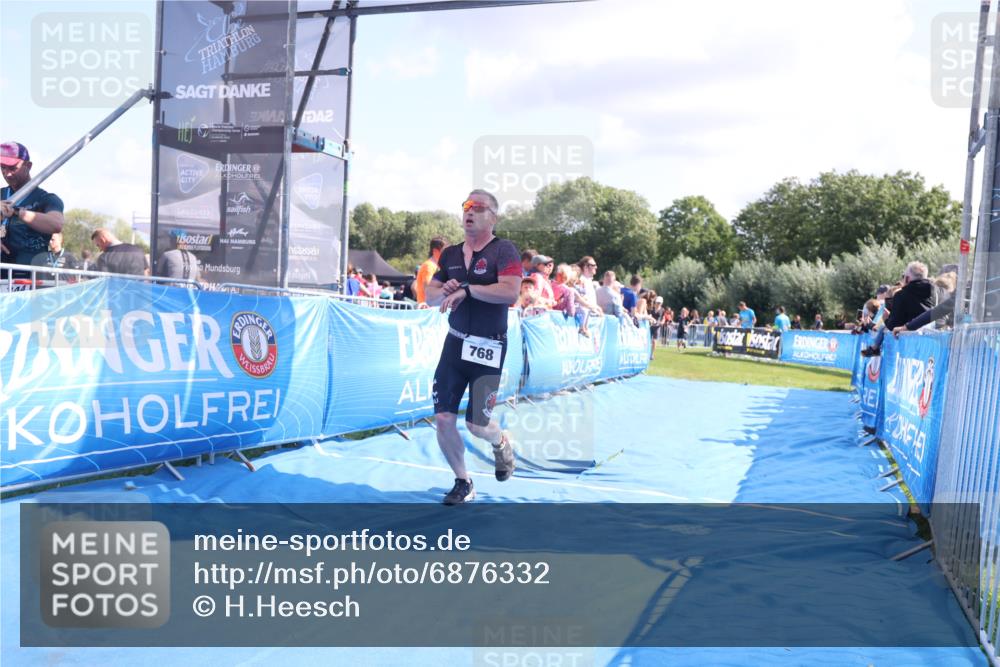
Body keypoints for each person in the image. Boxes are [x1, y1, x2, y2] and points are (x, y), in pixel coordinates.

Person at [425, 189, 521, 505]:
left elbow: (509, 293)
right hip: (454, 345)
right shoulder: (451, 254)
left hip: (489, 347)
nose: (469, 211)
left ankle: (500, 440)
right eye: (465, 206)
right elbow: (430, 294)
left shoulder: (503, 250)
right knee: (443, 418)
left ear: (492, 217)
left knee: (477, 425)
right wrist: (446, 288)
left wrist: (468, 290)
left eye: (477, 207)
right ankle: (463, 481)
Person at [1, 141, 65, 275]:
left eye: (13, 168)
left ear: (28, 166)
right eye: (3, 168)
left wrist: (17, 212)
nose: (7, 174)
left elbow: (56, 224)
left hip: (31, 280)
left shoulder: (46, 198)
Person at [414, 236, 446, 305]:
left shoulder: (436, 266)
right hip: (427, 308)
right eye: (444, 250)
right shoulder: (429, 266)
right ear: (435, 251)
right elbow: (428, 289)